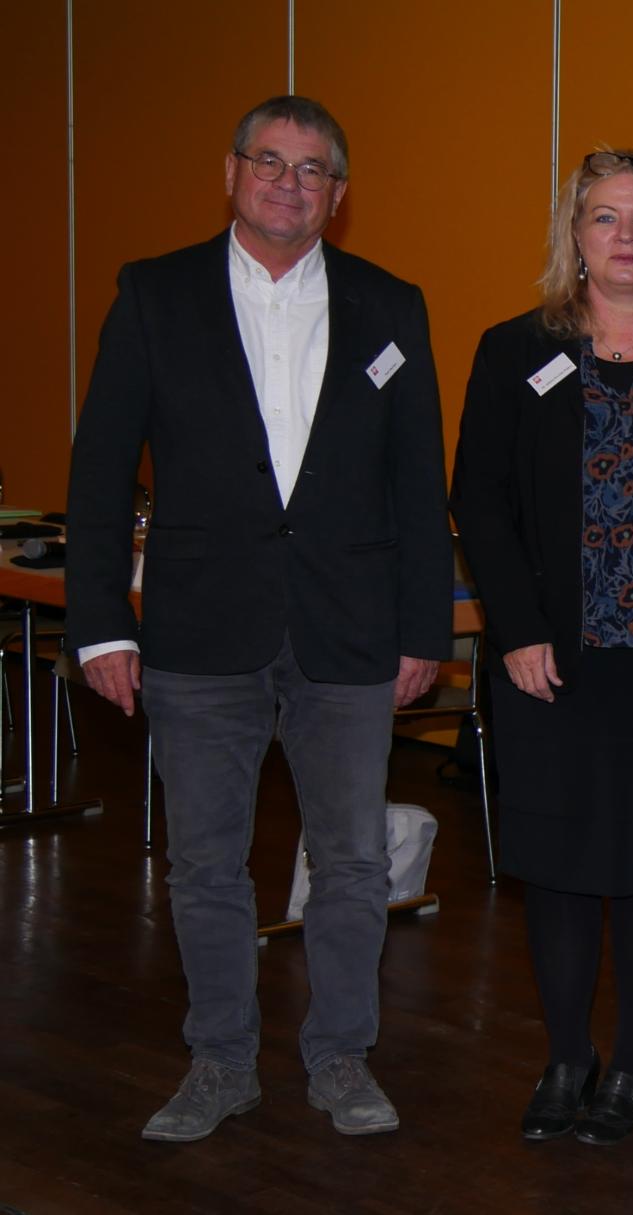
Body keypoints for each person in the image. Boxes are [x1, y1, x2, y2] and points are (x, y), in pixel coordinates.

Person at [66, 95, 451, 1141]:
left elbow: (421, 483)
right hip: (197, 632)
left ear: (339, 194)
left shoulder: (389, 305)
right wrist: (102, 623)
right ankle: (220, 1061)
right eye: (269, 161)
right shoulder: (154, 295)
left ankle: (340, 1057)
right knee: (203, 865)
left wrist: (427, 627)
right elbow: (101, 469)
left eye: (312, 168)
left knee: (355, 863)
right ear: (232, 172)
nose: (289, 182)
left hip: (350, 631)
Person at [448, 149, 633, 1147]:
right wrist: (516, 629)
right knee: (561, 865)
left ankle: (632, 1064)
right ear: (574, 236)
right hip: (549, 660)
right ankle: (567, 1055)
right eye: (603, 217)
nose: (624, 235)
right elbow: (477, 497)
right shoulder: (514, 348)